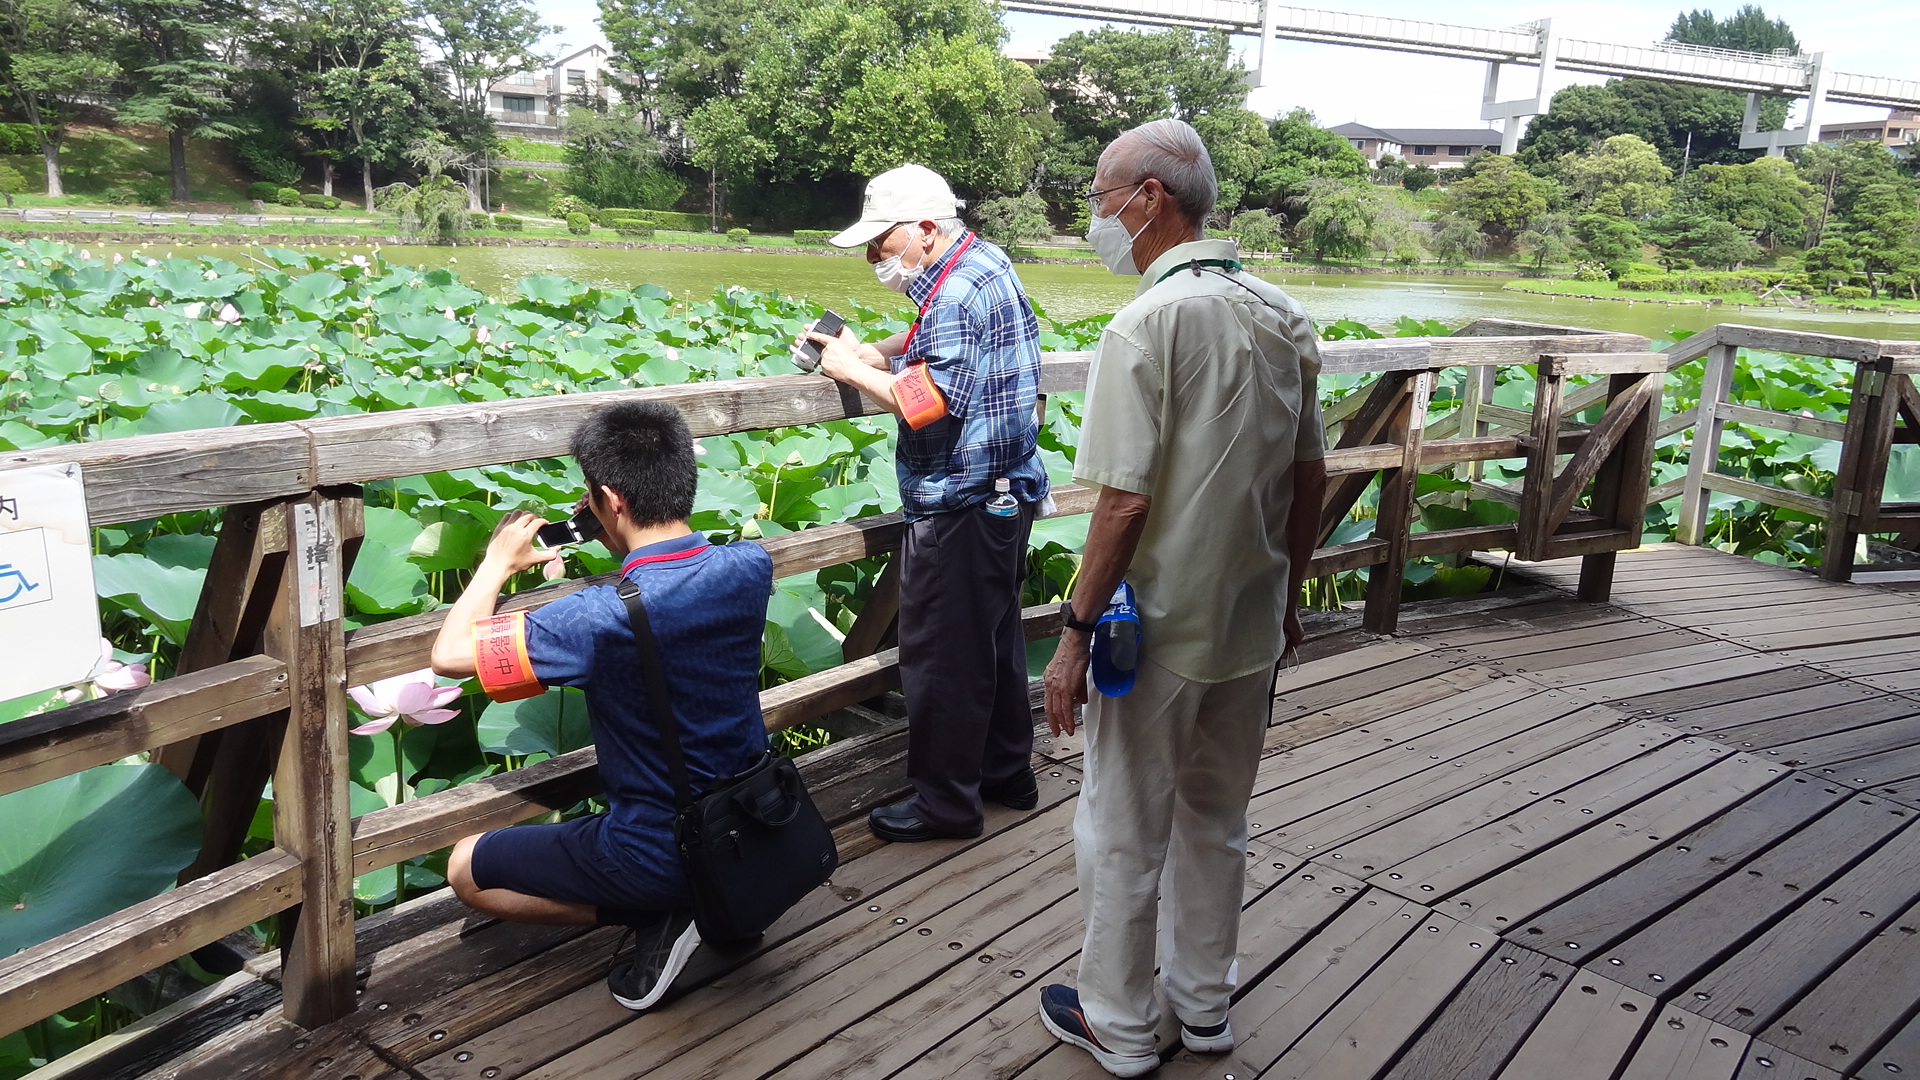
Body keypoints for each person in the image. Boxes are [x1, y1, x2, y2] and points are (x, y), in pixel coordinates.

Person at [1033, 119, 1328, 1077]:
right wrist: (1288, 590)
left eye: (1099, 196)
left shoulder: (1147, 324)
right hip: (1250, 618)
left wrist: (1074, 632)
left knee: (1120, 827)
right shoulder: (1279, 310)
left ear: (1150, 198)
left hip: (1153, 631)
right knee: (1218, 820)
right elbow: (1311, 476)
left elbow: (1123, 501)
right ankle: (1204, 1006)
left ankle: (1116, 1025)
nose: (1096, 217)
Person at [428, 400, 773, 1013]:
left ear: (609, 500)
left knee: (464, 868)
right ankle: (698, 900)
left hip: (654, 849)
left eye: (593, 501)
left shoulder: (593, 620)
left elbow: (450, 655)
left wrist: (496, 565)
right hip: (750, 826)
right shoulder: (750, 565)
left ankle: (664, 910)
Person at [800, 163, 1050, 843]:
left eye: (880, 246)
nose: (876, 261)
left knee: (940, 659)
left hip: (961, 502)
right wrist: (877, 350)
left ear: (926, 230)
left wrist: (850, 371)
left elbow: (929, 404)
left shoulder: (955, 291)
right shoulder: (983, 264)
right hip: (1007, 491)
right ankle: (1007, 773)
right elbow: (941, 348)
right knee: (993, 642)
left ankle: (945, 803)